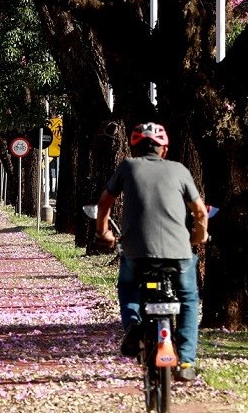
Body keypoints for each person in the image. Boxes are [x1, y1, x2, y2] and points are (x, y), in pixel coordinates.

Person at [95, 122, 209, 382]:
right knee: (189, 298)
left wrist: (104, 233)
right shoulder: (179, 170)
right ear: (164, 149)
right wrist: (199, 236)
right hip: (178, 252)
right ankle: (187, 361)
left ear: (134, 147)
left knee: (128, 286)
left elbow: (104, 203)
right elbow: (200, 212)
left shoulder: (127, 167)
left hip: (137, 251)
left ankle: (134, 325)